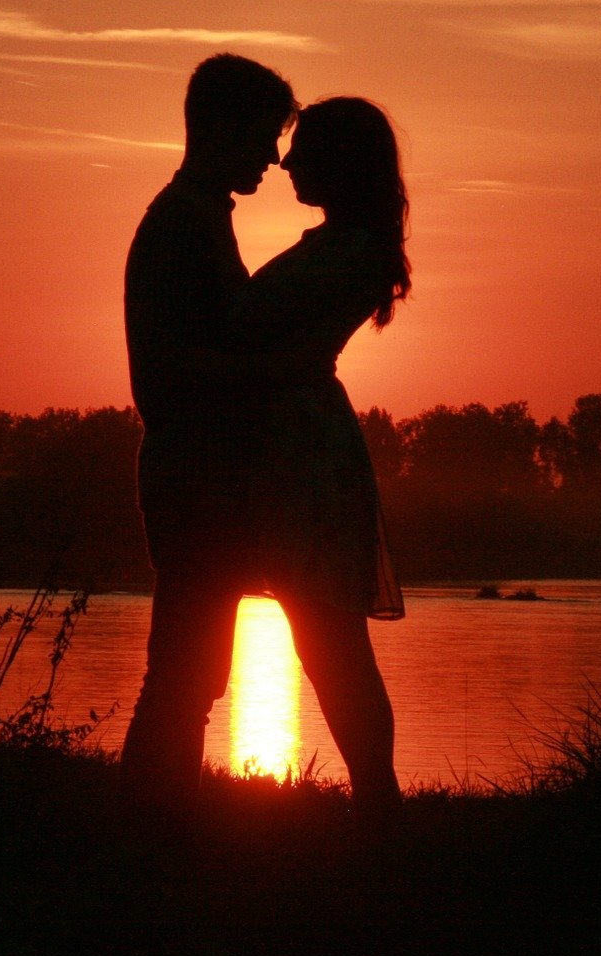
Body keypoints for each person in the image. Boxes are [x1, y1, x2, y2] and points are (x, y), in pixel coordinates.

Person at [120, 53, 297, 822]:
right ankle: (152, 834)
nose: (272, 156)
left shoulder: (195, 218)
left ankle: (157, 827)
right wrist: (278, 370)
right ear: (219, 128)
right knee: (183, 673)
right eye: (263, 136)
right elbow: (165, 369)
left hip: (201, 474)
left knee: (191, 674)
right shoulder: (181, 224)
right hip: (193, 476)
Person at [231, 96, 409, 820]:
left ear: (341, 162)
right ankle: (377, 801)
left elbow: (263, 331)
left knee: (331, 634)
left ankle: (378, 797)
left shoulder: (358, 252)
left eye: (305, 149)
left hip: (305, 452)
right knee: (322, 633)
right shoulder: (337, 244)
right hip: (287, 442)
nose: (288, 162)